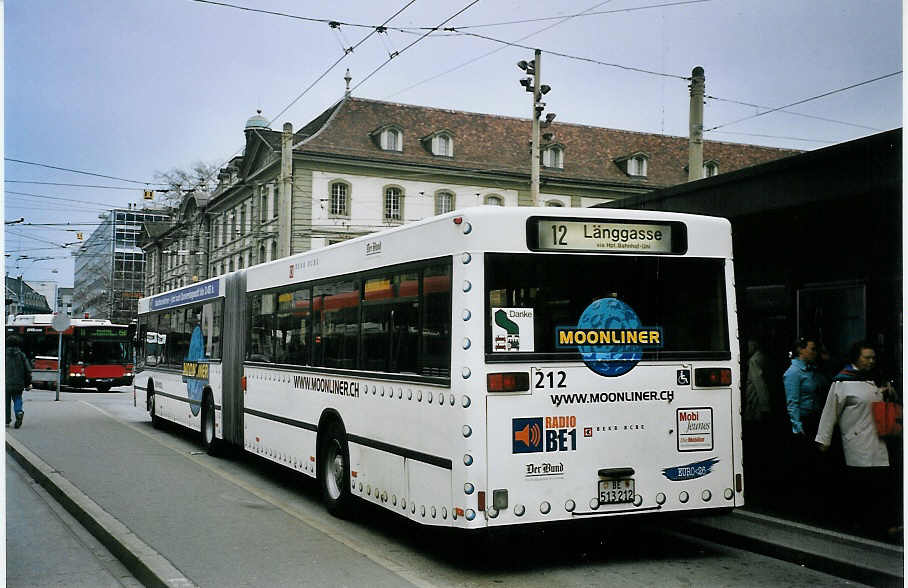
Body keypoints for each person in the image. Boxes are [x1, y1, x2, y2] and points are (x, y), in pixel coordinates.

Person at [815, 341, 898, 538]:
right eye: (866, 357)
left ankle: (877, 525)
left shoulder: (872, 380)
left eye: (873, 358)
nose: (871, 361)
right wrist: (823, 440)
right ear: (855, 358)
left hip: (878, 440)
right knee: (862, 486)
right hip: (857, 442)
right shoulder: (842, 382)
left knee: (878, 485)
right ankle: (863, 525)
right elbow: (829, 413)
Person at [783, 337, 822, 438]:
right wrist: (798, 426)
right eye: (812, 349)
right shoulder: (794, 372)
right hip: (804, 420)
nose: (815, 353)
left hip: (815, 417)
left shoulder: (811, 369)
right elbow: (792, 402)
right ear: (800, 350)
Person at [5, 334, 32, 428]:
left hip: (5, 383)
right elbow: (27, 370)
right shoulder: (21, 355)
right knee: (17, 399)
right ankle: (19, 412)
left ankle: (6, 420)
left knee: (5, 401)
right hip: (18, 383)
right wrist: (28, 383)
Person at [743, 339, 771, 424]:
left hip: (755, 397)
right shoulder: (761, 357)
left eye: (749, 346)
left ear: (754, 345)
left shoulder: (754, 360)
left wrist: (764, 405)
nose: (747, 349)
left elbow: (759, 383)